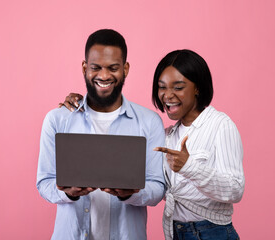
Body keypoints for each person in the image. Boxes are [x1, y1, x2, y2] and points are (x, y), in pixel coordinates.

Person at [62, 49, 245, 240]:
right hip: (175, 232)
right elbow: (153, 184)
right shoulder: (167, 136)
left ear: (197, 87)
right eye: (162, 87)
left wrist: (189, 167)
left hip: (213, 233)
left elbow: (235, 189)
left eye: (178, 87)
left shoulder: (220, 126)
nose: (167, 95)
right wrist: (87, 103)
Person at [37, 29, 166, 240]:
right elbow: (44, 183)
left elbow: (158, 188)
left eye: (113, 68)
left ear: (125, 69)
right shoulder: (58, 120)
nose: (104, 76)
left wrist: (132, 193)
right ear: (84, 68)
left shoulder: (149, 122)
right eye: (96, 67)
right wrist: (68, 193)